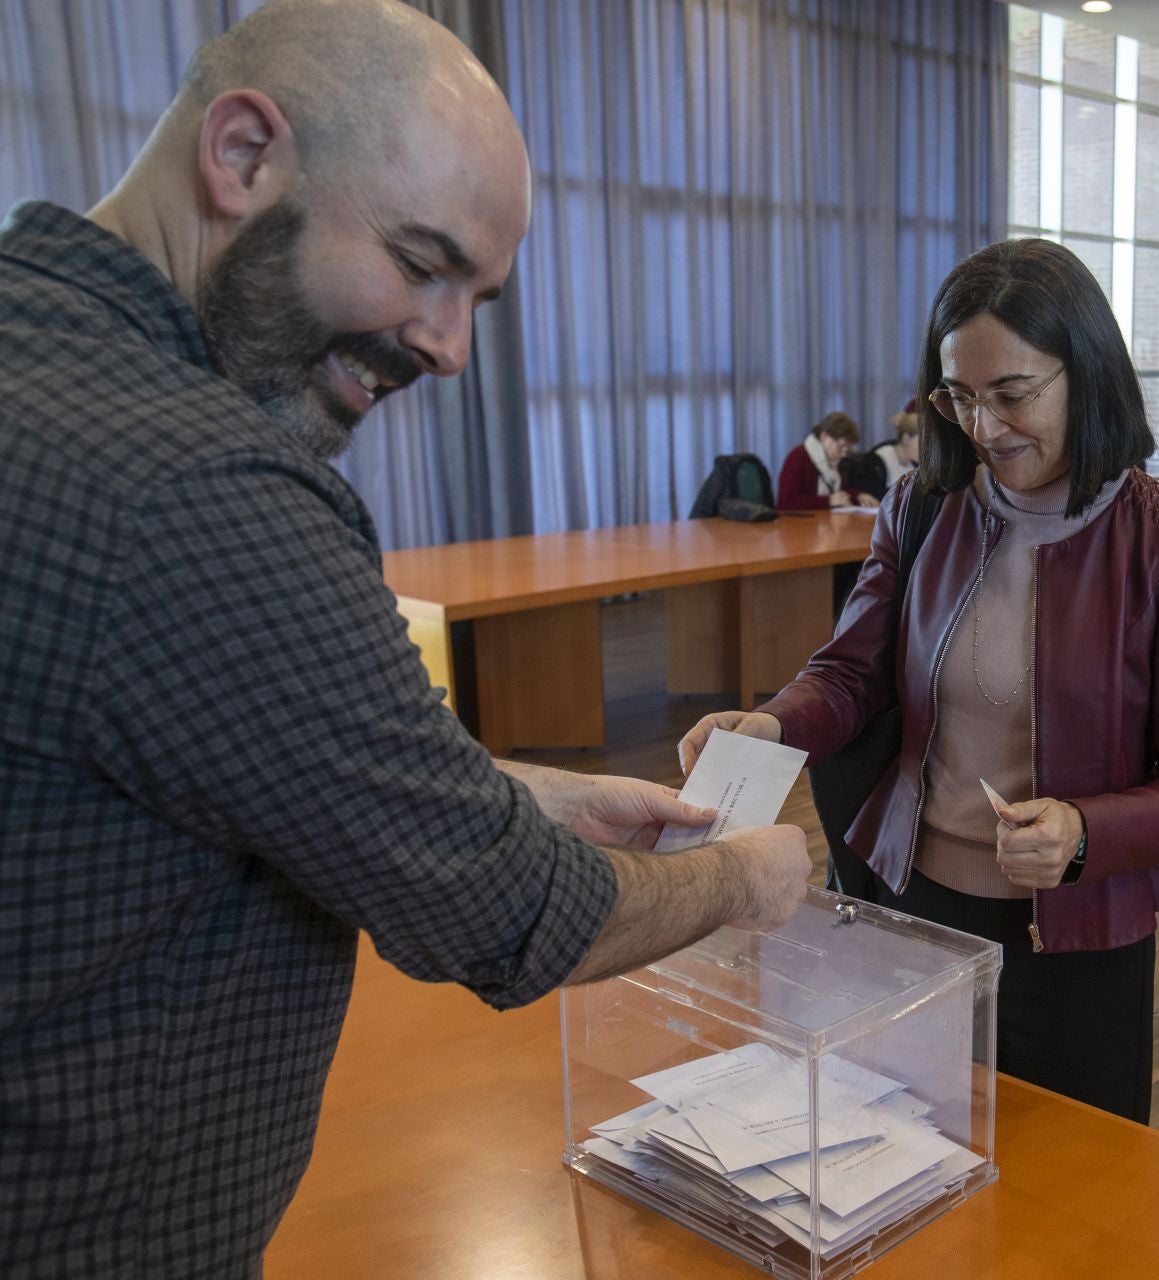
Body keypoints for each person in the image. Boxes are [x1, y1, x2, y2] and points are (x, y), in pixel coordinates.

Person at [0, 3, 813, 1274]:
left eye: (477, 295)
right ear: (243, 154)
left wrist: (512, 789)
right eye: (421, 261)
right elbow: (508, 917)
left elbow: (217, 755)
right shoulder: (202, 488)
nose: (446, 345)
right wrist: (747, 879)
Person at [678, 238, 1159, 1123]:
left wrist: (1084, 830)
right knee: (902, 1149)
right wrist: (773, 728)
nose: (984, 428)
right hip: (914, 901)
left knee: (1069, 1200)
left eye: (1012, 395)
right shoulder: (924, 504)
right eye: (960, 398)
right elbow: (851, 673)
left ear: (1086, 372)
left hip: (1072, 928)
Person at [777, 410, 878, 510]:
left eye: (847, 449)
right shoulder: (798, 457)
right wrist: (829, 501)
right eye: (841, 447)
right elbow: (786, 501)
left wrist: (858, 496)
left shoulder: (833, 460)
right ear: (824, 436)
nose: (843, 454)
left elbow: (840, 492)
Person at [874, 406, 922, 487]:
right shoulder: (879, 460)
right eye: (921, 442)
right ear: (906, 438)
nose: (926, 449)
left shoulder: (915, 466)